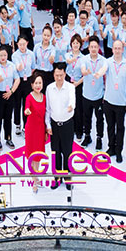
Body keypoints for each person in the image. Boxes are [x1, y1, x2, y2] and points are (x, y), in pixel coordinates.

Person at [45, 62, 75, 190]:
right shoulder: (49, 88)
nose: (59, 78)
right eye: (56, 75)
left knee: (67, 152)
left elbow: (72, 101)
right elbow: (47, 109)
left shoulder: (70, 87)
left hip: (67, 125)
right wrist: (48, 125)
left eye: (61, 75)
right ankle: (57, 178)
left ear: (65, 74)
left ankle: (67, 178)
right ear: (53, 74)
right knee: (55, 153)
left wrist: (71, 107)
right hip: (54, 126)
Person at [103, 40, 126, 163]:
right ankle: (111, 148)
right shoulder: (108, 62)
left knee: (120, 127)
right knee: (110, 126)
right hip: (108, 100)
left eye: (119, 48)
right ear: (112, 49)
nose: (117, 50)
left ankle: (119, 150)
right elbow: (102, 71)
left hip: (121, 102)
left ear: (122, 49)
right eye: (115, 48)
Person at [0, 45, 19, 149]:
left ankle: (8, 138)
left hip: (9, 93)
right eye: (1, 55)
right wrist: (1, 77)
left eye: (5, 55)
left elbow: (17, 79)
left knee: (8, 117)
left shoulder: (12, 65)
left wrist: (11, 91)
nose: (3, 57)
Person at [23, 73, 48, 192]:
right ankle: (34, 180)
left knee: (38, 155)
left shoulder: (44, 97)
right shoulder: (29, 97)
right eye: (36, 83)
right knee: (32, 154)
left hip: (40, 129)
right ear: (32, 85)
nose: (38, 85)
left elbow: (46, 115)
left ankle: (35, 174)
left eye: (40, 83)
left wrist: (46, 130)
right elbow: (26, 108)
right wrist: (27, 111)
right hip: (31, 130)